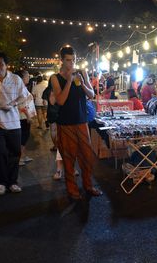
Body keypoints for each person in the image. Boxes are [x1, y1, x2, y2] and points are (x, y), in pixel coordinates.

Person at [50, 46, 101, 201]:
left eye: (74, 60)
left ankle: (88, 185)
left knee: (87, 156)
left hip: (81, 121)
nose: (71, 63)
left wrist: (82, 83)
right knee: (69, 158)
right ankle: (72, 190)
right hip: (65, 123)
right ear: (62, 60)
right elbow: (60, 100)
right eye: (68, 60)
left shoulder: (82, 73)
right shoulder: (55, 77)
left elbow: (91, 95)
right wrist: (69, 81)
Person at [0, 52, 30, 195]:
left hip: (14, 123)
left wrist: (13, 103)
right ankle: (1, 182)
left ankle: (12, 182)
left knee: (15, 154)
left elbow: (26, 97)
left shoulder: (15, 79)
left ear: (6, 65)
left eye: (0, 64)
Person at [16, 70, 35, 166]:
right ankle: (19, 157)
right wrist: (28, 116)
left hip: (24, 116)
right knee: (23, 137)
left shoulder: (23, 87)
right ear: (22, 78)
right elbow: (21, 105)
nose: (29, 77)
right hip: (23, 117)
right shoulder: (20, 89)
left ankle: (23, 156)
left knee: (25, 136)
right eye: (27, 76)